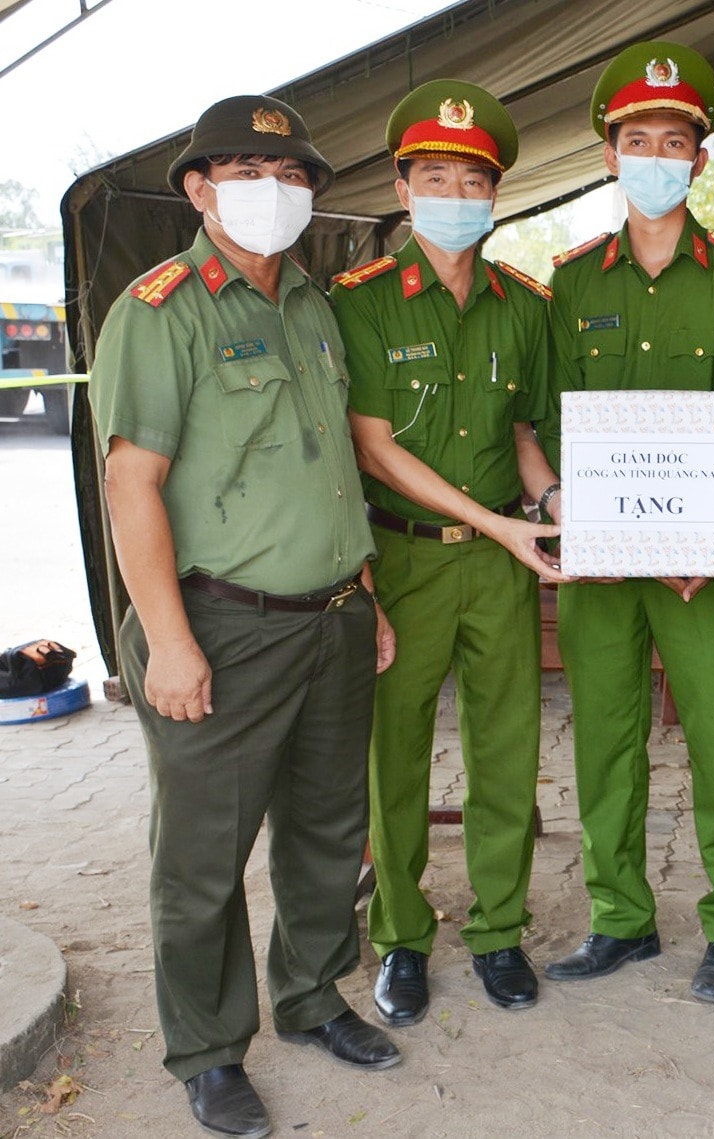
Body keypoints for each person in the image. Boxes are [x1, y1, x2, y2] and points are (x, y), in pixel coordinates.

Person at [89, 95, 400, 1139]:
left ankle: (313, 995)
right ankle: (210, 1049)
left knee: (325, 833)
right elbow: (132, 485)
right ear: (199, 188)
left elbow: (327, 473)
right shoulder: (160, 306)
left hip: (335, 618)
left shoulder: (312, 305)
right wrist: (167, 640)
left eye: (295, 176)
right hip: (221, 624)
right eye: (248, 173)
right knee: (203, 856)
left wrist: (368, 593)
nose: (276, 193)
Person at [541, 41, 714, 1006]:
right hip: (600, 563)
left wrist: (702, 538)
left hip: (699, 563)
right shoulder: (571, 279)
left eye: (673, 141)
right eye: (637, 139)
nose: (654, 155)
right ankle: (620, 917)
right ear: (608, 154)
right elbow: (557, 419)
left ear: (700, 160)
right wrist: (572, 521)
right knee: (602, 739)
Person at [330, 80, 566, 1029]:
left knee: (508, 749)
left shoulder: (524, 304)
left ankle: (500, 930)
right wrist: (506, 519)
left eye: (473, 181)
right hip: (405, 562)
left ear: (497, 193)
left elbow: (522, 434)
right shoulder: (366, 301)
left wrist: (551, 503)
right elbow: (376, 445)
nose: (456, 196)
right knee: (397, 756)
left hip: (502, 563)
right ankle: (400, 937)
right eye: (436, 177)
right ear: (401, 185)